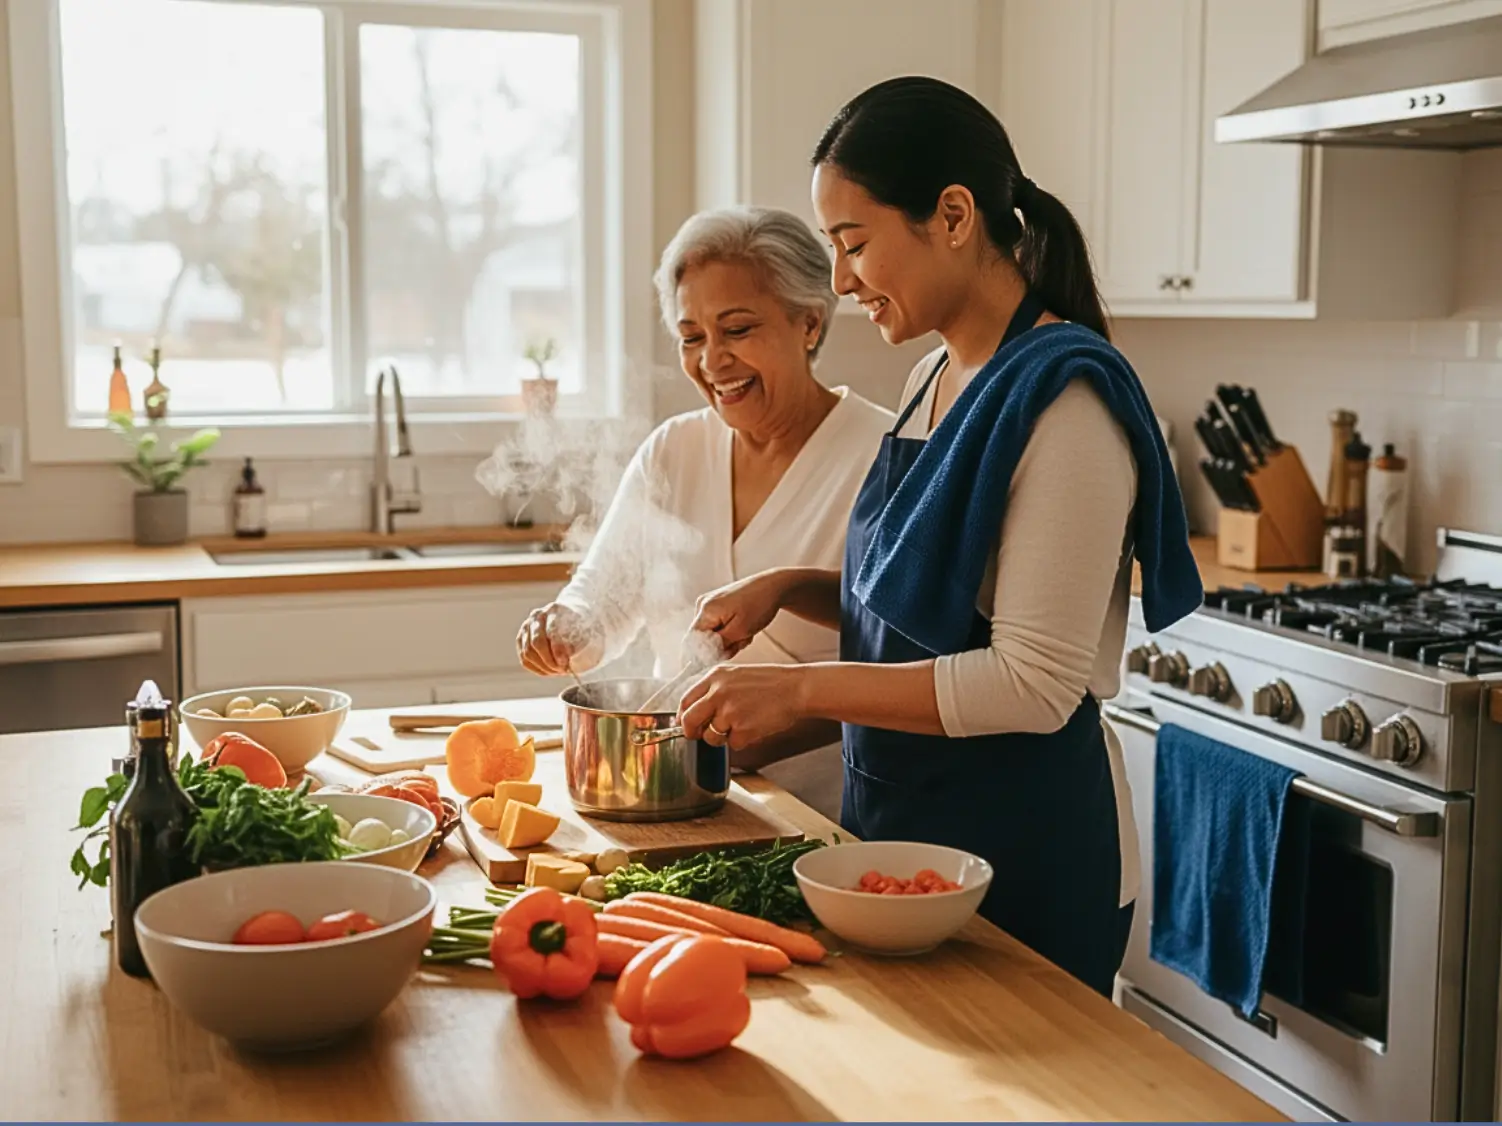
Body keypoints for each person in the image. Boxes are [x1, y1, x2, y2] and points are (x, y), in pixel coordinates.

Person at [676, 77, 1203, 996]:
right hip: (905, 844)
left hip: (1021, 861)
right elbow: (924, 605)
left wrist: (799, 687)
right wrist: (791, 587)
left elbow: (1033, 684)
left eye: (853, 243)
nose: (839, 279)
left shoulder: (1068, 400)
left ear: (953, 215)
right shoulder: (935, 375)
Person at [515, 205, 894, 818]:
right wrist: (565, 628)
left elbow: (906, 670)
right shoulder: (674, 448)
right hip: (675, 800)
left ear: (809, 324)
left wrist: (746, 744)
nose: (712, 362)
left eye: (738, 330)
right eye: (692, 338)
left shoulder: (886, 455)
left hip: (829, 818)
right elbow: (605, 601)